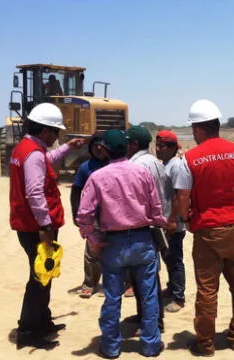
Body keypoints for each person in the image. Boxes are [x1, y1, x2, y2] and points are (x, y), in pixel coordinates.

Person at [175, 99, 234, 356]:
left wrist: (186, 219)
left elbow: (183, 198)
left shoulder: (190, 159)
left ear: (198, 129)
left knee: (208, 290)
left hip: (208, 231)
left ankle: (206, 344)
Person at [76, 129, 166, 358]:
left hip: (113, 244)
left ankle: (111, 347)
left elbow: (83, 214)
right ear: (127, 148)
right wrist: (158, 230)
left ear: (105, 150)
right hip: (142, 240)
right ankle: (150, 345)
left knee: (112, 298)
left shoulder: (98, 177)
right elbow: (156, 208)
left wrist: (93, 239)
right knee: (148, 296)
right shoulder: (142, 172)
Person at [9, 103, 86, 349]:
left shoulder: (27, 149)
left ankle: (42, 321)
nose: (56, 136)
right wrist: (45, 226)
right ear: (45, 131)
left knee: (45, 274)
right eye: (56, 132)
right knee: (39, 277)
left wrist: (66, 148)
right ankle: (29, 330)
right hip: (36, 227)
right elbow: (34, 192)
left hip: (29, 224)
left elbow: (44, 160)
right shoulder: (32, 154)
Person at [125, 125, 170, 332]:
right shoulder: (154, 162)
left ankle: (154, 321)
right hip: (155, 224)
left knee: (147, 278)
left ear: (134, 144)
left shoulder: (138, 165)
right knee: (145, 276)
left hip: (145, 226)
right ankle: (146, 315)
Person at [70, 132, 110, 299]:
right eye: (95, 145)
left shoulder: (114, 164)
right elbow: (75, 191)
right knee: (92, 252)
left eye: (102, 145)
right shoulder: (85, 167)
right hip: (93, 217)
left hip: (114, 216)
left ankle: (126, 284)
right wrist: (75, 213)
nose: (99, 148)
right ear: (90, 148)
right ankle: (89, 283)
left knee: (119, 250)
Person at [155, 130, 187, 313]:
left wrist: (173, 220)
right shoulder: (166, 164)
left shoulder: (175, 166)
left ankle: (179, 297)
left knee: (175, 259)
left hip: (173, 222)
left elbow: (179, 194)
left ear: (173, 148)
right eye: (157, 145)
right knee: (168, 257)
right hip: (166, 220)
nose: (159, 149)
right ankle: (172, 286)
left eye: (163, 146)